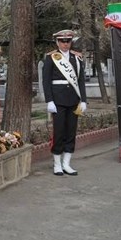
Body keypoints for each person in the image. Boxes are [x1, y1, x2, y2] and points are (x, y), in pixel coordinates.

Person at [42, 29, 87, 176]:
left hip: (73, 99)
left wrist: (83, 100)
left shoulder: (77, 58)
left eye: (68, 41)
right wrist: (49, 100)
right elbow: (46, 81)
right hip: (58, 101)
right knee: (59, 132)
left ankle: (66, 163)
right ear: (57, 42)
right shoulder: (51, 58)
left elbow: (80, 81)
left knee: (71, 132)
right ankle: (57, 164)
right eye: (62, 41)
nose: (65, 44)